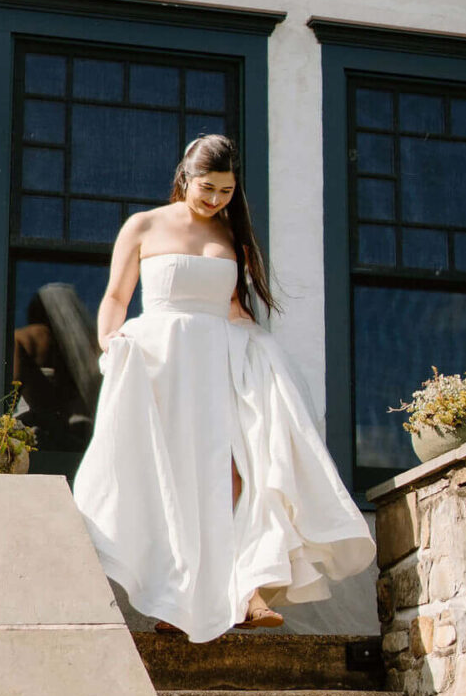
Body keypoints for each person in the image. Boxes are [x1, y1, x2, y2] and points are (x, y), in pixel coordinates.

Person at [71, 132, 375, 641]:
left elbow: (233, 309)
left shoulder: (232, 236)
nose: (215, 200)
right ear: (185, 178)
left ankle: (250, 588)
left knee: (242, 472)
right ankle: (175, 601)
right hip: (162, 363)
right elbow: (116, 297)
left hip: (222, 362)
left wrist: (267, 360)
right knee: (175, 481)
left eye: (226, 191)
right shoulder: (143, 226)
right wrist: (109, 343)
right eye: (207, 187)